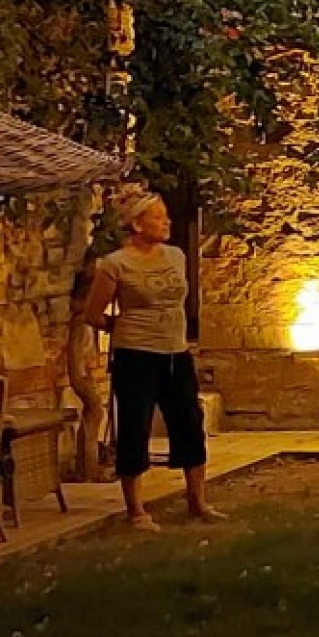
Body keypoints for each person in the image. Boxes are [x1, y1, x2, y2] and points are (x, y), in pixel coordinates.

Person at [81, 185, 222, 530]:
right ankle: (136, 511)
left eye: (166, 216)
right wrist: (125, 326)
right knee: (135, 427)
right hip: (136, 356)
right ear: (137, 224)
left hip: (176, 352)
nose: (167, 222)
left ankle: (197, 501)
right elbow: (93, 314)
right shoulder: (115, 264)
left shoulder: (176, 256)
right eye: (158, 217)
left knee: (189, 423)